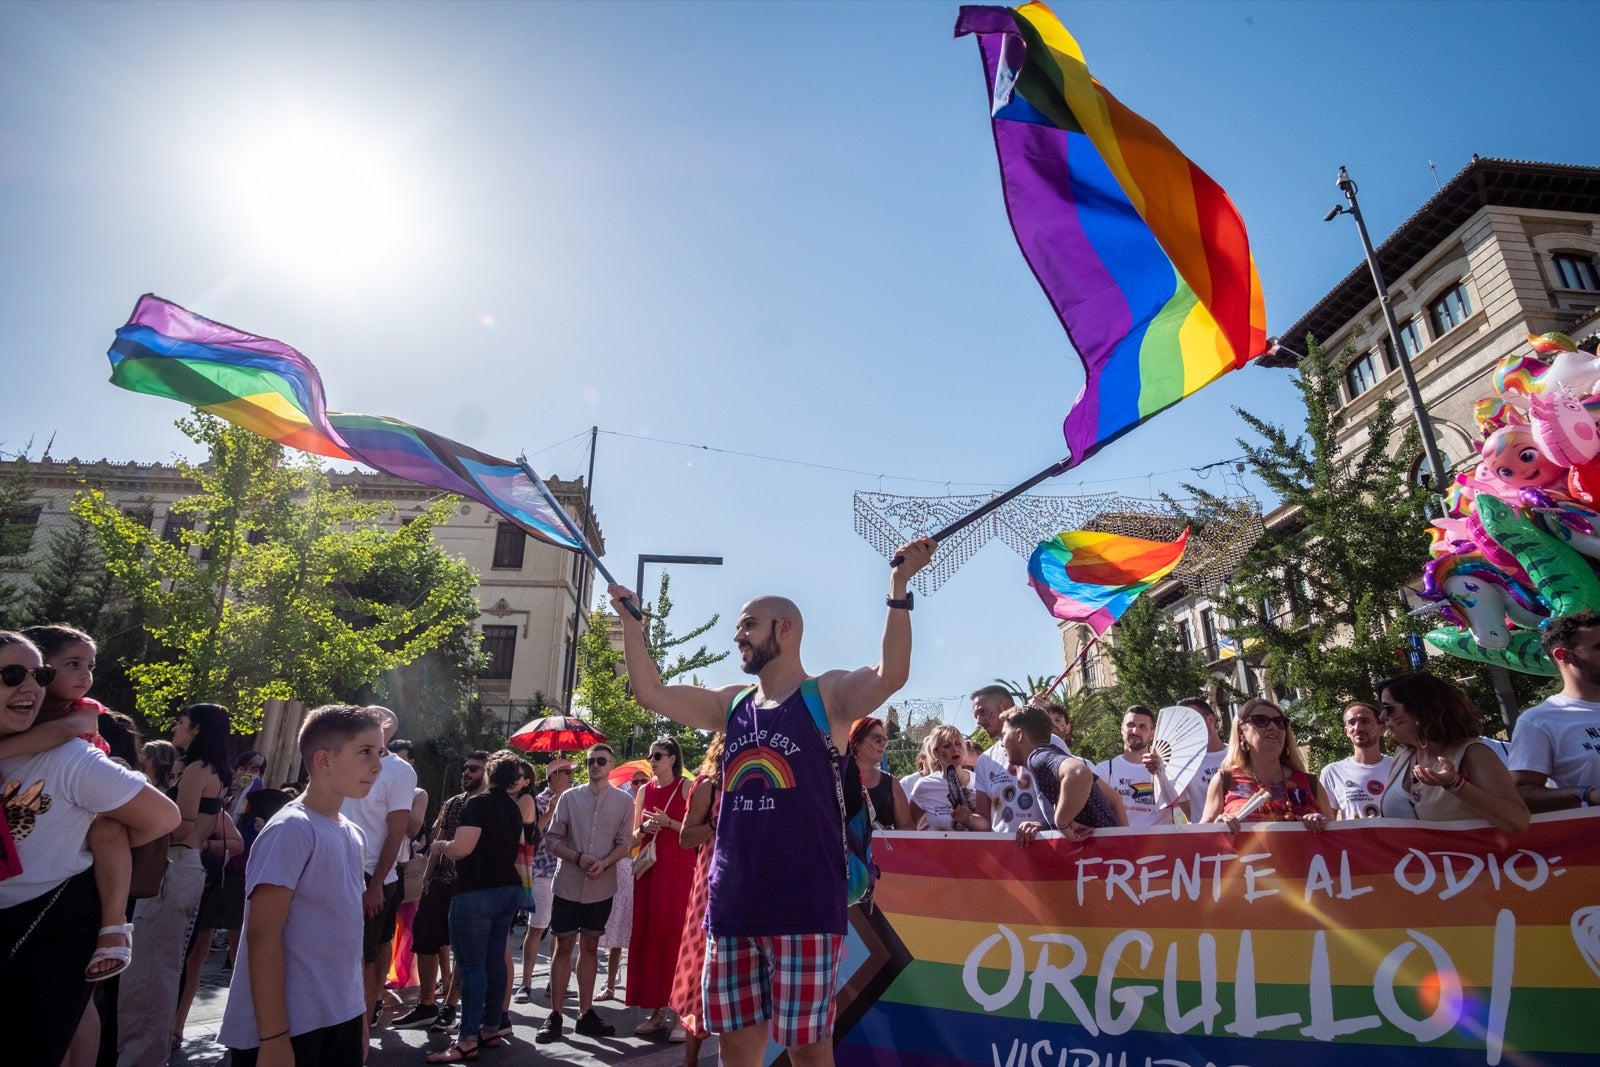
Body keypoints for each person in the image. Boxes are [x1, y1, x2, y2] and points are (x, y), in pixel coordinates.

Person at [607, 535, 935, 1067]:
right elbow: (652, 694)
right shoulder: (731, 704)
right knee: (736, 1050)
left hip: (805, 907)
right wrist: (632, 628)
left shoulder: (825, 696)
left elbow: (889, 675)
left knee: (808, 1052)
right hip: (732, 906)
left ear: (784, 629)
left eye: (748, 624)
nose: (737, 635)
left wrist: (898, 588)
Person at [0, 631, 180, 1067]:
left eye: (38, 675)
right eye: (12, 675)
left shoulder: (70, 755)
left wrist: (85, 841)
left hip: (44, 930)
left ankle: (114, 929)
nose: (30, 687)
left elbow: (162, 817)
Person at [217, 704, 385, 1066]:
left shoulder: (352, 834)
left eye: (380, 752)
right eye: (366, 752)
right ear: (324, 761)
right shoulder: (292, 830)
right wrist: (274, 1038)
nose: (378, 766)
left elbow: (347, 934)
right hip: (288, 1027)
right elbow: (263, 936)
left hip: (340, 1018)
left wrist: (358, 1019)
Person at [11, 623, 135, 985]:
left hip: (92, 807)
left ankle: (113, 926)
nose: (85, 675)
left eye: (90, 666)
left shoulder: (81, 711)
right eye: (73, 664)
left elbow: (61, 733)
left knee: (109, 832)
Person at [119, 701, 232, 1066]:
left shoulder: (199, 769)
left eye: (181, 722)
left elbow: (179, 823)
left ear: (197, 727)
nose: (175, 728)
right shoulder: (210, 770)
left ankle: (142, 1056)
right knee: (158, 968)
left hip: (176, 864)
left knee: (150, 973)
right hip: (186, 867)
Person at [424, 750, 527, 1063]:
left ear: (489, 774)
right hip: (507, 890)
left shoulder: (477, 803)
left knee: (471, 966)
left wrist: (440, 845)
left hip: (476, 892)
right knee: (494, 960)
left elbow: (462, 848)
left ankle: (467, 1038)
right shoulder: (513, 807)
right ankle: (490, 1028)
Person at [537, 743, 635, 1043]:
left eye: (601, 761)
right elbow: (551, 839)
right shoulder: (569, 797)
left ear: (611, 765)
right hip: (568, 882)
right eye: (591, 761)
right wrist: (578, 857)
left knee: (590, 946)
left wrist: (605, 862)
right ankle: (554, 1014)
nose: (594, 765)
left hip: (601, 886)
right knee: (563, 946)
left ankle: (585, 1012)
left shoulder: (624, 802)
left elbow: (625, 842)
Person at [393, 751, 488, 1032]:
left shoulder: (489, 805)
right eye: (465, 767)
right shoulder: (453, 802)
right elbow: (437, 841)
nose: (467, 772)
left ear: (487, 773)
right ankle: (426, 1005)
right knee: (425, 940)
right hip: (440, 882)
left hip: (470, 886)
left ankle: (450, 1005)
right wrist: (427, 875)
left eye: (473, 768)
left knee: (462, 947)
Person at [339, 705, 418, 1036]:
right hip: (337, 871)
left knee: (366, 958)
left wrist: (374, 885)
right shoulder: (345, 759)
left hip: (373, 876)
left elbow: (396, 831)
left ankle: (362, 1025)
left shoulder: (399, 772)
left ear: (386, 729)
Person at [1376, 672, 1529, 834]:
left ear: (1419, 709)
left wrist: (1457, 785)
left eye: (1389, 709)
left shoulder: (1473, 753)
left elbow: (1519, 821)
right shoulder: (1404, 753)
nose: (1382, 716)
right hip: (1415, 859)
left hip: (1470, 857)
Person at [628, 736, 698, 1036]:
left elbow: (697, 833)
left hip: (678, 867)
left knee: (675, 935)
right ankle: (656, 1011)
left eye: (658, 755)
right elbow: (632, 836)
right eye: (651, 755)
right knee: (650, 933)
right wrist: (645, 827)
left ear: (672, 758)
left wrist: (669, 822)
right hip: (650, 870)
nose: (652, 760)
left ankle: (682, 1014)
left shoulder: (686, 787)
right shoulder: (644, 790)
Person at [667, 735, 724, 1057]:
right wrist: (718, 822)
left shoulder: (768, 779)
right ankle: (690, 1059)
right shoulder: (708, 785)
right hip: (711, 889)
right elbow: (686, 838)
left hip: (756, 888)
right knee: (699, 973)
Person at [1511, 611, 1600, 811]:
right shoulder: (1539, 721)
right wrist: (1587, 794)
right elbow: (1521, 794)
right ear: (1564, 655)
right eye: (1598, 647)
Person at [1201, 698, 1331, 830]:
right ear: (1241, 734)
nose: (1273, 727)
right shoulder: (1225, 781)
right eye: (1261, 720)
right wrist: (1218, 826)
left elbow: (1337, 836)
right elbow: (1201, 837)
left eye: (1280, 722)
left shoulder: (1311, 783)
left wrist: (1321, 822)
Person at [1003, 706, 1126, 845]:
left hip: (1099, 856)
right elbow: (1114, 797)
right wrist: (1128, 843)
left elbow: (1078, 773)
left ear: (1019, 735)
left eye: (1004, 735)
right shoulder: (1054, 755)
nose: (1001, 743)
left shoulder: (1038, 757)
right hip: (1108, 856)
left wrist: (1062, 822)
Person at [515, 756, 572, 1003]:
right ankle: (525, 984)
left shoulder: (574, 800)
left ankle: (554, 982)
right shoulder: (538, 801)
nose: (571, 777)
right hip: (542, 871)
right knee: (536, 928)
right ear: (554, 777)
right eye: (567, 773)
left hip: (567, 872)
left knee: (563, 932)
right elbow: (531, 836)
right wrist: (550, 811)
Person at [969, 685, 1054, 832]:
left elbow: (1075, 795)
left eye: (983, 712)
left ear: (1006, 706)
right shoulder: (985, 761)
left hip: (1048, 847)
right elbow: (985, 820)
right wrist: (965, 818)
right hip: (1004, 852)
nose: (979, 721)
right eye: (976, 716)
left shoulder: (1050, 742)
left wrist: (1044, 826)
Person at [1095, 706, 1178, 827]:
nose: (1135, 731)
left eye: (1143, 727)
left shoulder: (1170, 770)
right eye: (1130, 725)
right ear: (1122, 729)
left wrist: (1161, 774)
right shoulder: (1104, 770)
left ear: (1152, 733)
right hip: (1119, 842)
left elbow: (1187, 810)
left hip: (1159, 843)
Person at [1318, 701, 1394, 819]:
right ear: (1346, 731)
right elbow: (1327, 823)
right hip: (1353, 838)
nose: (1357, 727)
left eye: (1364, 721)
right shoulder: (1332, 772)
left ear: (1381, 729)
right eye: (1351, 723)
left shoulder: (1399, 767)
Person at [907, 725, 992, 831]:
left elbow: (990, 825)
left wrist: (969, 819)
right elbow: (909, 827)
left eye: (958, 744)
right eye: (947, 746)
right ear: (936, 752)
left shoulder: (980, 780)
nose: (955, 749)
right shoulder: (924, 786)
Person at [845, 717, 913, 830]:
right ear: (857, 741)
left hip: (883, 847)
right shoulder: (838, 778)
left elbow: (907, 828)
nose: (882, 744)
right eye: (877, 738)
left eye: (884, 739)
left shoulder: (892, 783)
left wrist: (889, 834)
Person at [1177, 697, 1228, 821]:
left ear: (1210, 720)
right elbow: (1181, 802)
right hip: (1207, 837)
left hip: (1242, 832)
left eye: (1190, 722)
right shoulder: (1183, 763)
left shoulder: (1238, 755)